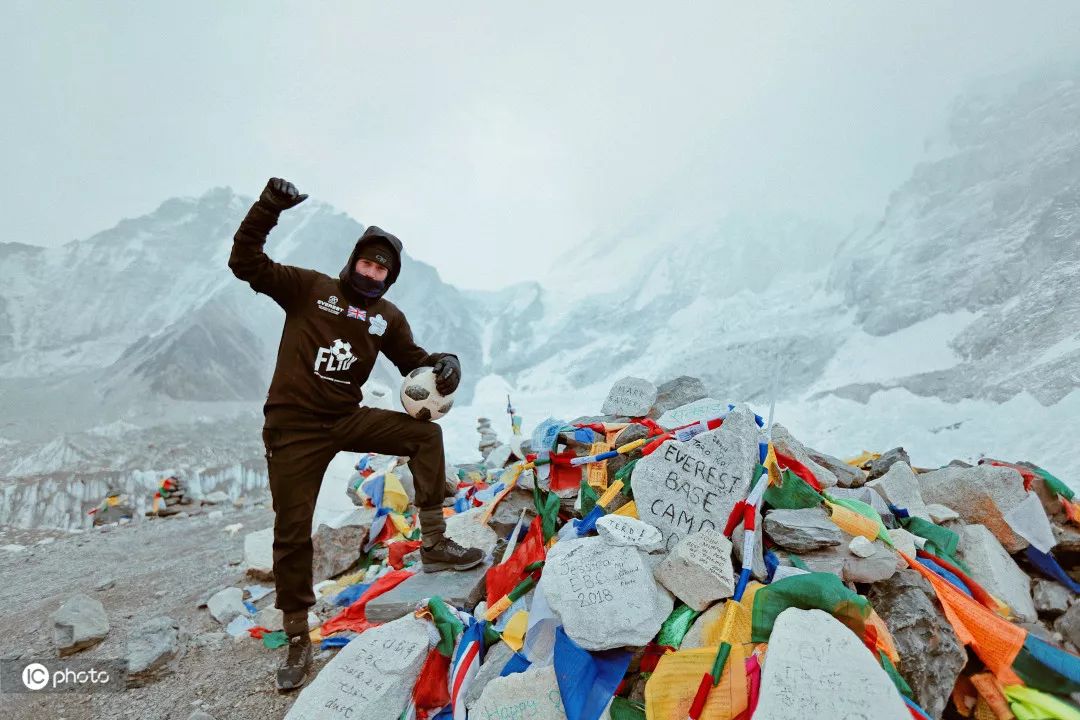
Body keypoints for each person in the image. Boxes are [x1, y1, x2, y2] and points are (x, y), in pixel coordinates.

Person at [229, 177, 484, 691]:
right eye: (367, 263)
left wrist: (444, 363)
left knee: (424, 437)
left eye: (382, 269)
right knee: (292, 530)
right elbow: (245, 263)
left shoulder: (385, 318)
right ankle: (298, 637)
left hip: (345, 418)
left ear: (389, 279)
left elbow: (415, 362)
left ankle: (434, 543)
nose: (372, 273)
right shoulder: (309, 289)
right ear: (353, 262)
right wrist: (269, 207)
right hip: (293, 428)